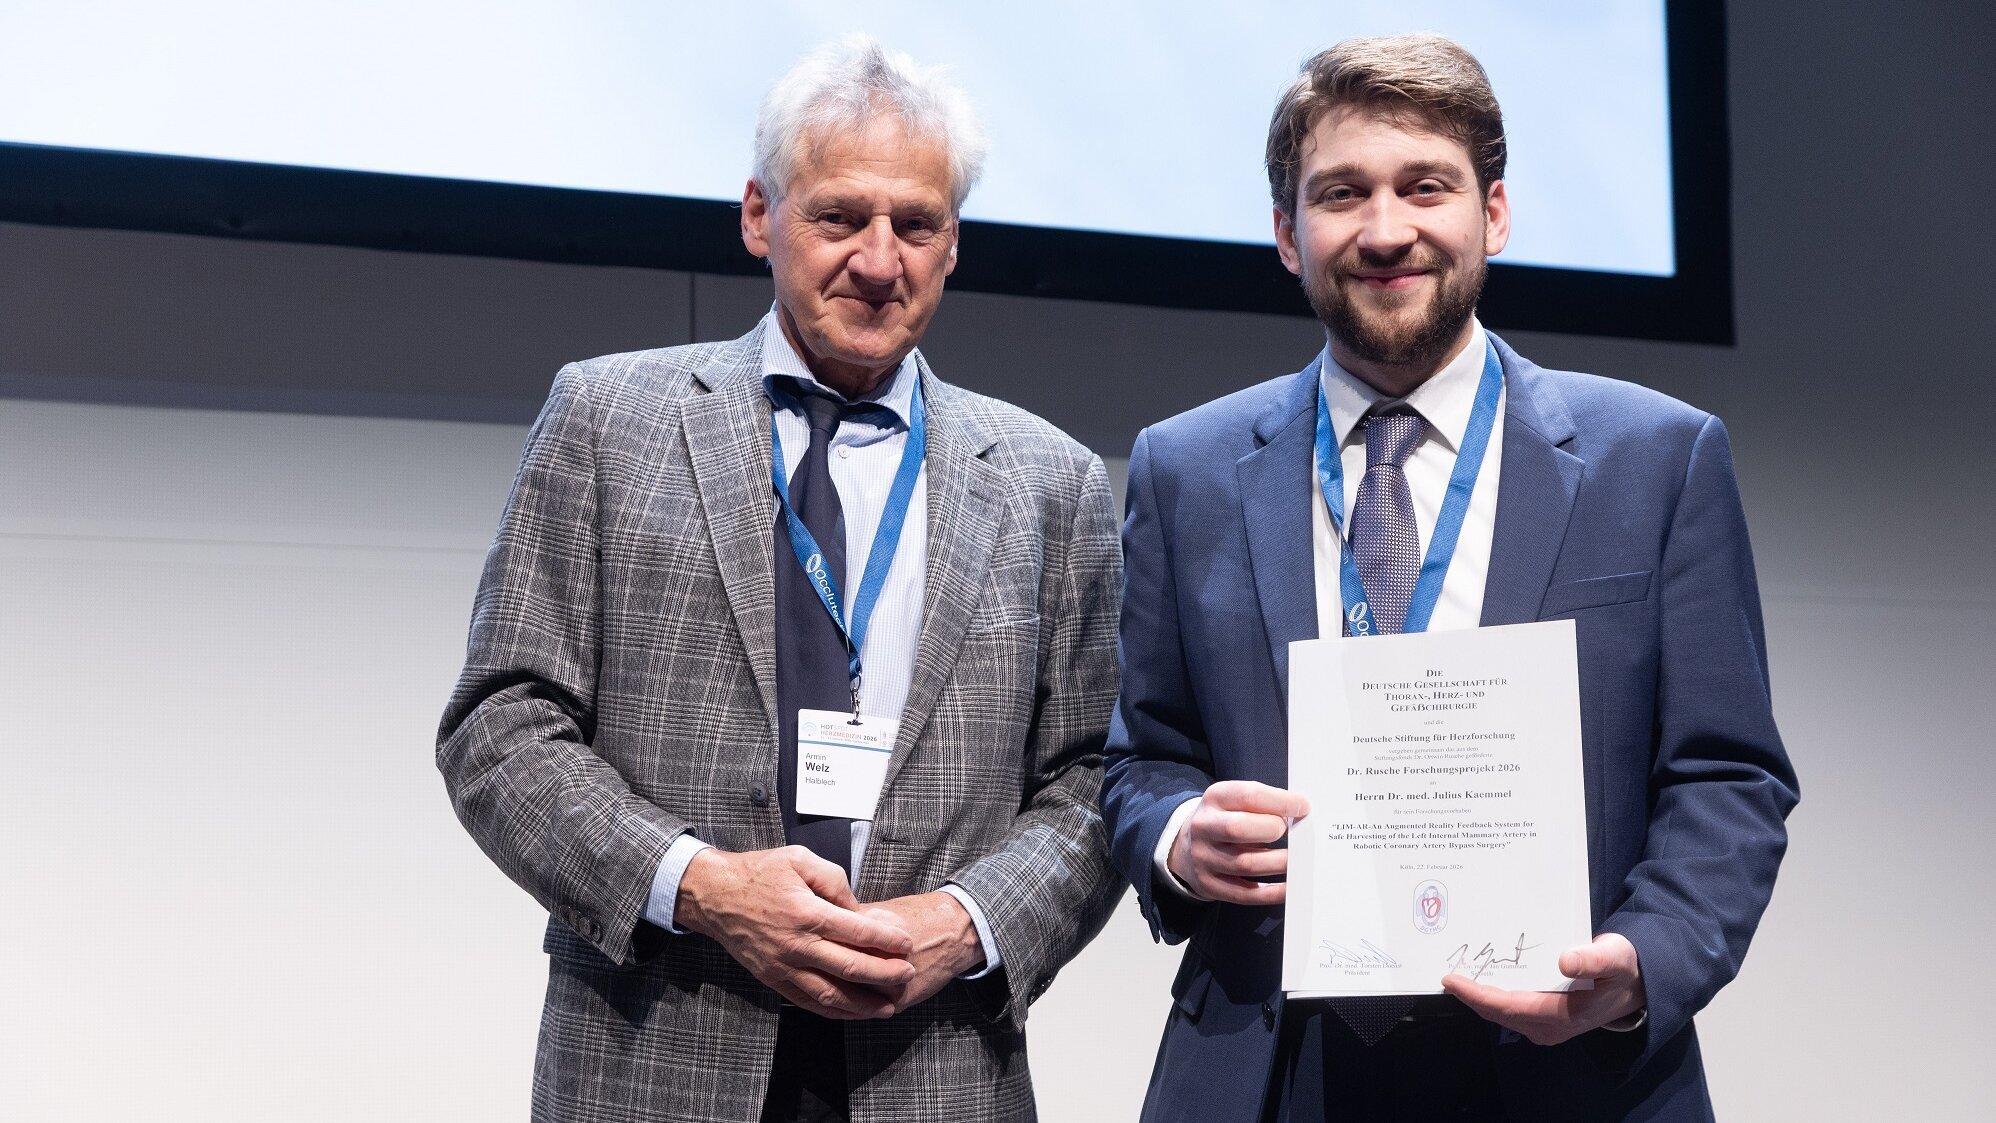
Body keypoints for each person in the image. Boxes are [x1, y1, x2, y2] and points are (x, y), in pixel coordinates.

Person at [1099, 33, 1798, 1122]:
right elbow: (1142, 756)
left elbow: (1727, 774)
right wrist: (1181, 839)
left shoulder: (1658, 460)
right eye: (1342, 193)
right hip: (1271, 1069)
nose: (1386, 231)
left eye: (1425, 186)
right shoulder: (1185, 469)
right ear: (1286, 233)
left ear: (1494, 214)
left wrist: (1642, 960)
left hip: (1568, 1067)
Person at [438, 37, 1122, 1123]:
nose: (879, 260)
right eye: (840, 216)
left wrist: (967, 922)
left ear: (954, 244)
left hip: (934, 1073)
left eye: (916, 224)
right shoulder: (608, 421)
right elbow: (501, 727)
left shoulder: (1053, 482)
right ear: (761, 215)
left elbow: (1091, 780)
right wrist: (702, 886)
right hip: (655, 1058)